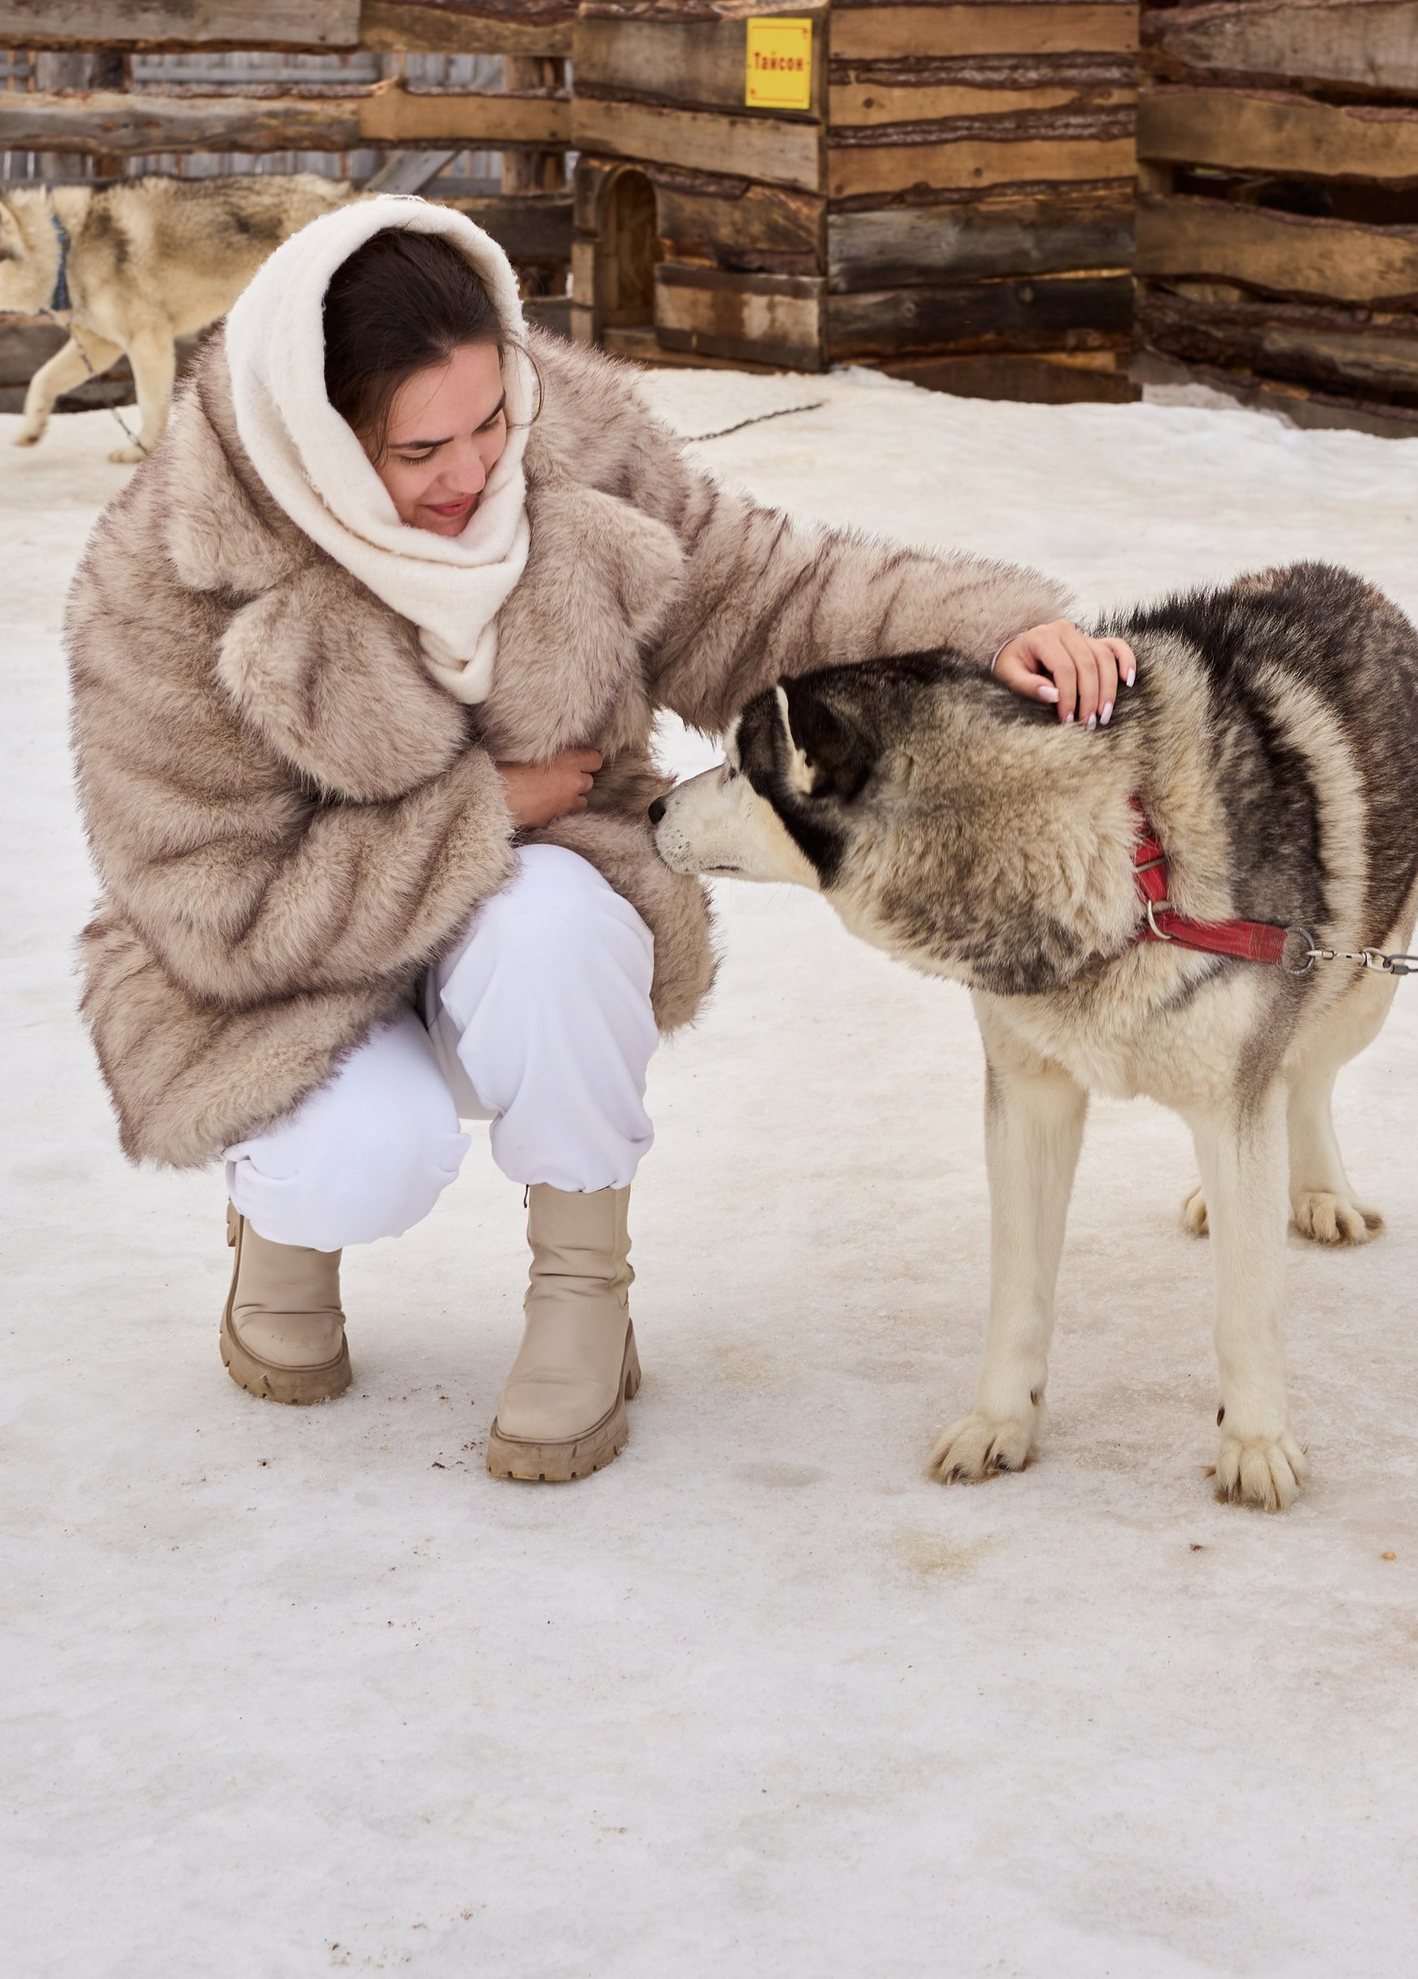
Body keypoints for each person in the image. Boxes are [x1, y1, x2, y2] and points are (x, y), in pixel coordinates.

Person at [64, 196, 1134, 1484]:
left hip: (523, 921)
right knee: (361, 1160)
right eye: (419, 452)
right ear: (324, 442)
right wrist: (479, 814)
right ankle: (281, 1231)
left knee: (563, 913)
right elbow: (213, 907)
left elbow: (763, 589)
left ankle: (582, 1292)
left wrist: (984, 632)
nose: (473, 476)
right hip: (282, 969)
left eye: (492, 419)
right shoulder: (168, 576)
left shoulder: (570, 442)